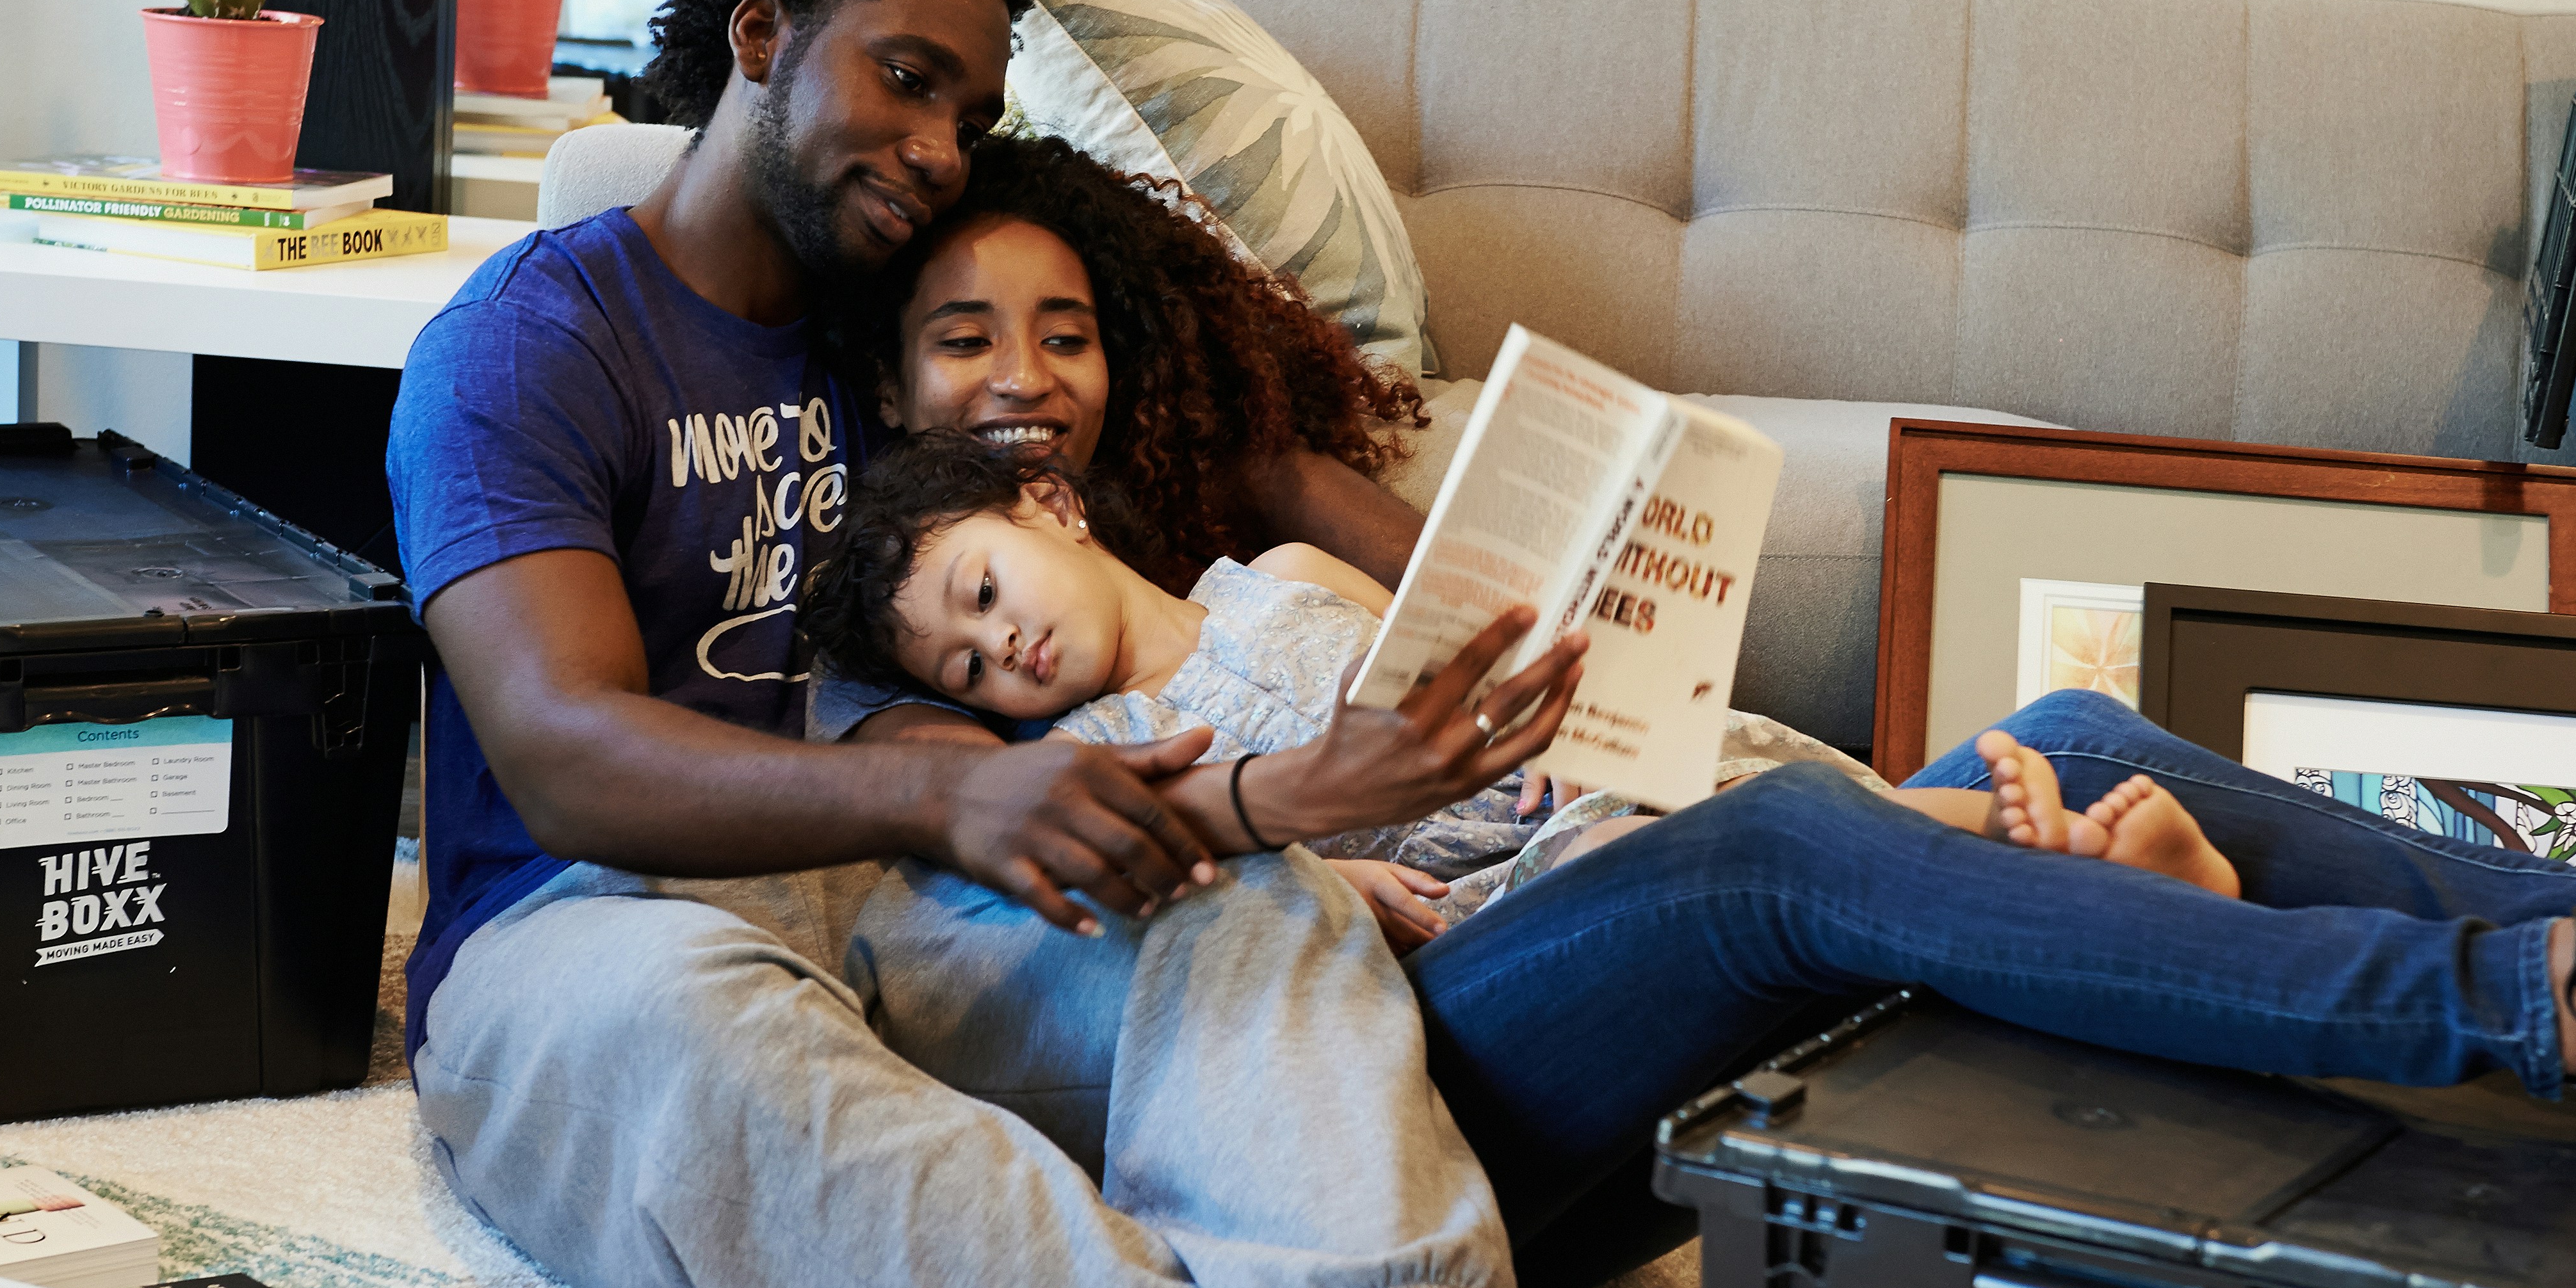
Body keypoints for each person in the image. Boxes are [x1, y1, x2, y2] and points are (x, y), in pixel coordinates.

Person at [389, 0, 2576, 1288]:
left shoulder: (953, 367)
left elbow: (1270, 493)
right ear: (754, 40)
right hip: (755, 930)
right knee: (844, 1003)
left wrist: (1479, 616)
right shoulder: (554, 348)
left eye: (973, 119)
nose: (939, 167)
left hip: (1253, 952)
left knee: (2040, 742)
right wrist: (1124, 801)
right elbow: (584, 753)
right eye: (901, 84)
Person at [795, 425, 2238, 946]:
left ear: (1049, 506)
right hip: (1471, 881)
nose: (1003, 650)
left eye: (982, 594)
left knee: (1729, 778)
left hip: (1553, 773)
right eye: (965, 667)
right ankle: (2057, 857)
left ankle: (2050, 847)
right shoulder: (1096, 744)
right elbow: (1192, 869)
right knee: (1640, 857)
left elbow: (1452, 655)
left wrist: (1559, 711)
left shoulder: (1282, 570)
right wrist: (1322, 886)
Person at [857, 130, 1430, 592]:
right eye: (966, 342)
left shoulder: (1221, 483)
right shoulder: (878, 592)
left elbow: (1459, 603)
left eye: (1065, 340)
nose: (1025, 380)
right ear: (888, 387)